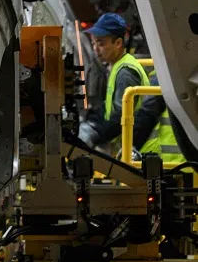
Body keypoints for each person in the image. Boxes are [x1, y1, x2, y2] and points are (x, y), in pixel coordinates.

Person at [78, 13, 183, 164]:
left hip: (144, 151)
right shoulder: (117, 67)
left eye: (100, 44)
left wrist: (95, 132)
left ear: (118, 43)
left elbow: (121, 115)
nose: (95, 49)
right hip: (133, 147)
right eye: (93, 44)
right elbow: (111, 108)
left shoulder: (125, 72)